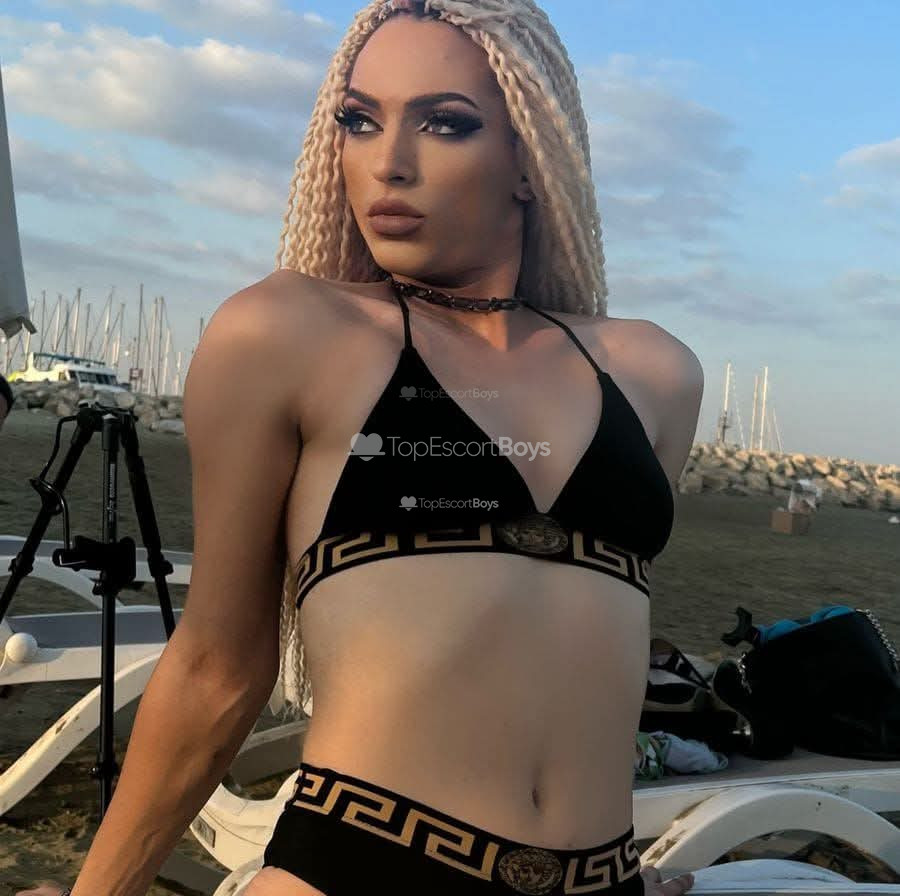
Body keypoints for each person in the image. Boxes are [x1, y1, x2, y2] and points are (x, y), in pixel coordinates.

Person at [16, 1, 703, 894]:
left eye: (444, 123)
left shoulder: (655, 374)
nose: (389, 162)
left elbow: (577, 647)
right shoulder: (286, 334)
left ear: (531, 161)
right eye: (359, 120)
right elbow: (218, 667)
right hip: (363, 867)